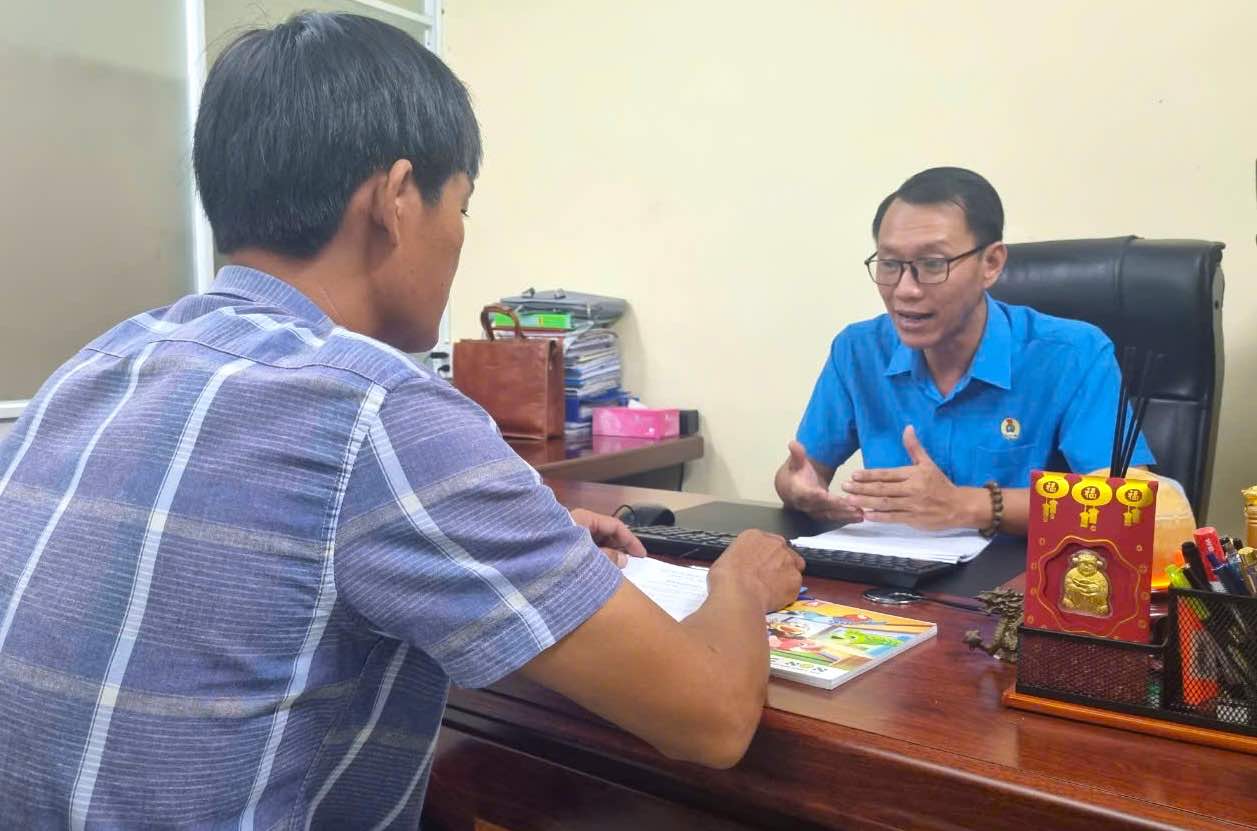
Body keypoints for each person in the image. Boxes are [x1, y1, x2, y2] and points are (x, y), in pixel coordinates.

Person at [0, 14, 802, 828]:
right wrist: (738, 580)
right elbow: (709, 718)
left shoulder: (101, 361)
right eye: (459, 207)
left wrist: (515, 536)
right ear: (393, 200)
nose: (458, 240)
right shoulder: (380, 408)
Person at [775, 167, 1151, 536]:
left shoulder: (1072, 354)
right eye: (889, 264)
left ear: (991, 263)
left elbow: (1130, 501)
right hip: (893, 583)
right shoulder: (858, 351)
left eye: (932, 264)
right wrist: (798, 489)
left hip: (1019, 585)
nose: (905, 289)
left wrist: (965, 506)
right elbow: (803, 472)